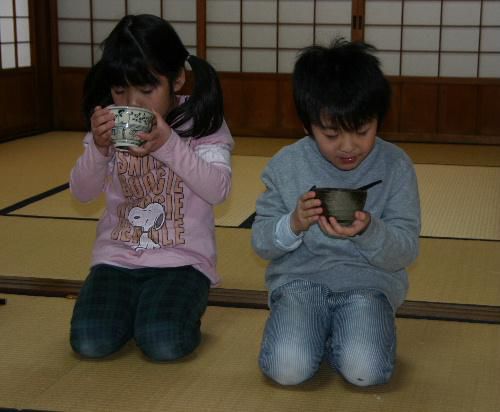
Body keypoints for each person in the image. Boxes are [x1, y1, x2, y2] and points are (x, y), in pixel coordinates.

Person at [252, 38, 420, 386]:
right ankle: (316, 330)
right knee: (287, 370)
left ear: (378, 119)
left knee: (366, 372)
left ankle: (343, 332)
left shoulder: (396, 166)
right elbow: (262, 243)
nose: (348, 147)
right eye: (330, 134)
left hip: (368, 285)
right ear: (307, 126)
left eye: (362, 131)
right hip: (300, 283)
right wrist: (294, 223)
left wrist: (369, 230)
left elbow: (405, 249)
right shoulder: (286, 165)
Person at [69, 14, 233, 361]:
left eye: (146, 90)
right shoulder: (109, 124)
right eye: (119, 90)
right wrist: (99, 149)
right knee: (89, 342)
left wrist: (169, 143)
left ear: (177, 79)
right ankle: (134, 311)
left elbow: (218, 190)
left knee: (164, 343)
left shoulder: (202, 123)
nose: (132, 102)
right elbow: (82, 193)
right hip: (116, 259)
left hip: (183, 261)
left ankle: (155, 314)